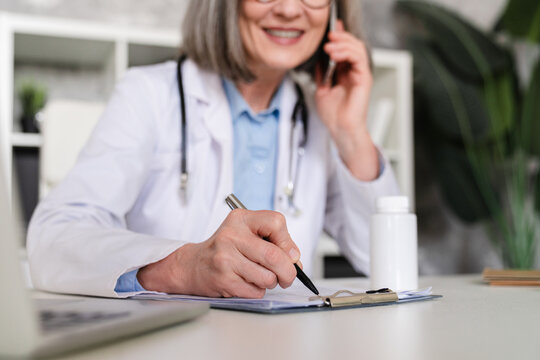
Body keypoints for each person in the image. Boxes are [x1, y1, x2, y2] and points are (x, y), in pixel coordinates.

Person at [27, 0, 399, 298]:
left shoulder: (319, 119)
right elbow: (54, 241)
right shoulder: (149, 96)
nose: (289, 9)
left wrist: (350, 133)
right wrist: (181, 267)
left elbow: (387, 263)